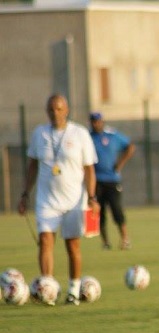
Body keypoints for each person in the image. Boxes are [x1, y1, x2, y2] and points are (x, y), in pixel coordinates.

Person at [17, 94, 99, 306]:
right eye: (51, 110)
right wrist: (25, 193)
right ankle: (48, 289)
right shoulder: (40, 134)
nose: (55, 113)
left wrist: (92, 197)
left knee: (73, 245)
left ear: (67, 110)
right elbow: (33, 165)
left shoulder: (79, 134)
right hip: (47, 200)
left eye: (59, 109)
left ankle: (73, 290)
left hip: (74, 200)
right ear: (47, 112)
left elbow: (89, 169)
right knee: (45, 241)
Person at [89, 112, 136, 250]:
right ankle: (105, 243)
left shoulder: (112, 135)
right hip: (96, 181)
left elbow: (130, 147)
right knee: (99, 213)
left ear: (102, 122)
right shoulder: (88, 137)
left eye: (98, 121)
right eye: (93, 121)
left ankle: (125, 239)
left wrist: (120, 164)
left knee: (117, 210)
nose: (95, 124)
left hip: (112, 180)